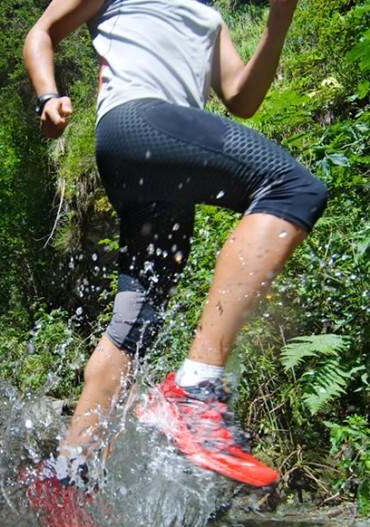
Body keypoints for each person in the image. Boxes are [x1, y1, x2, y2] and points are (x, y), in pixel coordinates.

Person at [22, 0, 327, 496]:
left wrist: (279, 21)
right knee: (294, 189)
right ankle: (197, 389)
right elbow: (41, 33)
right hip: (136, 124)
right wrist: (46, 96)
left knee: (134, 327)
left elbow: (241, 98)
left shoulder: (210, 17)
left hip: (162, 173)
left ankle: (65, 483)